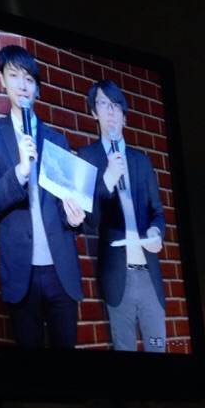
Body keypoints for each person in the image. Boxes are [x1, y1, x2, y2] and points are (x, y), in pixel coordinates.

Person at [0, 45, 85, 348]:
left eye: (29, 79)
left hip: (60, 270)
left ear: (37, 88)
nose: (22, 85)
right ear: (2, 80)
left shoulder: (56, 139)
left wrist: (74, 219)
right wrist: (21, 171)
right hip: (20, 272)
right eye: (14, 76)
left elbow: (65, 204)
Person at [77, 79, 167, 352]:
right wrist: (107, 179)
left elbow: (157, 212)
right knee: (125, 351)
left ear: (124, 117)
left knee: (158, 348)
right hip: (118, 276)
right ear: (94, 112)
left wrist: (156, 232)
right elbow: (91, 219)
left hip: (149, 274)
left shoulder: (141, 161)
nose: (110, 111)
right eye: (103, 104)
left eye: (116, 106)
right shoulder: (88, 156)